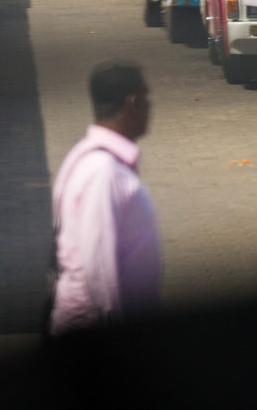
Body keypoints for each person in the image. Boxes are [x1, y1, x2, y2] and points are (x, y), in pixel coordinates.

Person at [48, 63, 161, 336]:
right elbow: (99, 268)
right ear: (132, 103)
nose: (150, 108)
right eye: (147, 99)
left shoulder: (91, 158)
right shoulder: (104, 172)